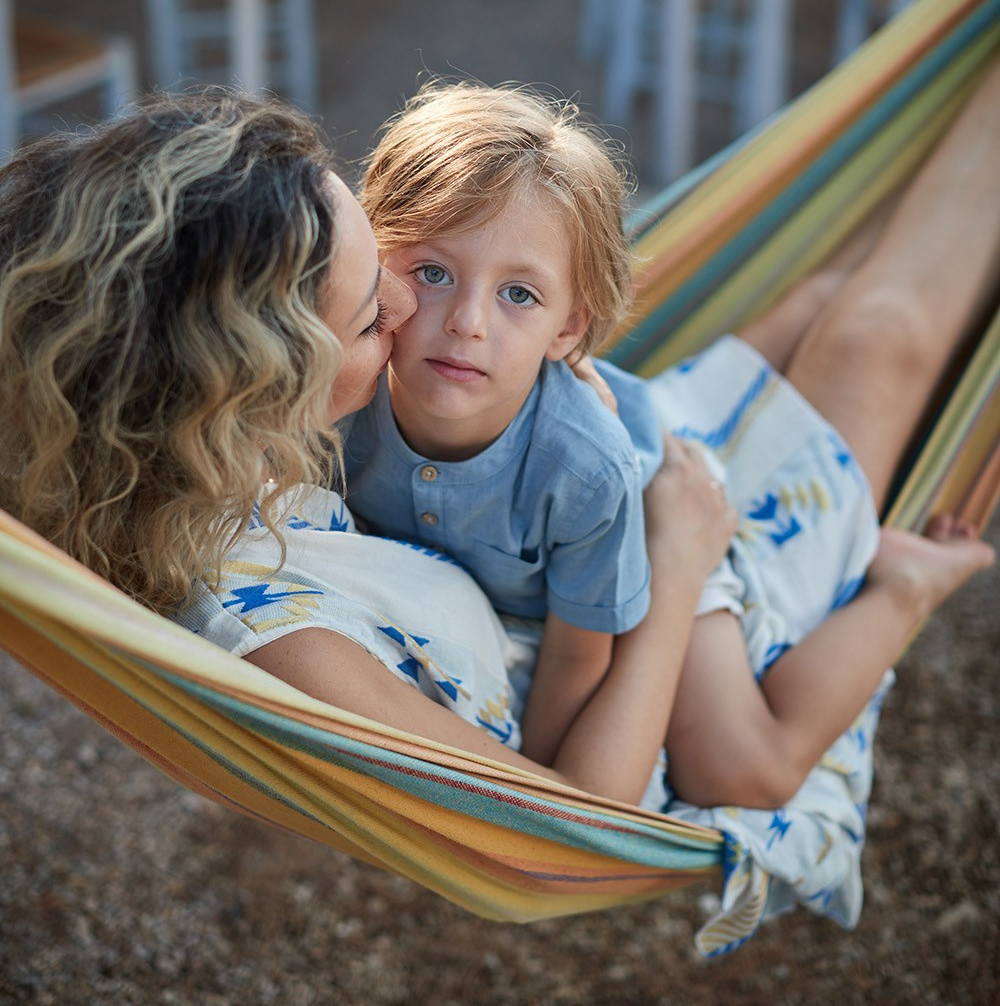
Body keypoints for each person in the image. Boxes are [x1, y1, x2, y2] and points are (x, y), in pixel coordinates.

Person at [0, 83, 994, 944]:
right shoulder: (282, 639)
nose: (422, 318)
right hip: (671, 549)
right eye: (374, 312)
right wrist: (681, 559)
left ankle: (926, 118)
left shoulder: (198, 460)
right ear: (257, 388)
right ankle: (906, 581)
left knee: (834, 310)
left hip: (633, 498)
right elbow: (574, 825)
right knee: (873, 339)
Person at [344, 80, 998, 808]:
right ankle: (821, 293)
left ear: (568, 329)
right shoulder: (337, 395)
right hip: (642, 430)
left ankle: (907, 583)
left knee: (741, 771)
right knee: (845, 321)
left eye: (518, 294)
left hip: (671, 513)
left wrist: (542, 786)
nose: (467, 321)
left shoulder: (586, 471)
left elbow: (578, 653)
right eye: (433, 273)